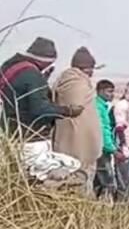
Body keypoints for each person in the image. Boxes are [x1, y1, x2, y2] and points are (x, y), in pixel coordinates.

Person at [0, 37, 84, 181]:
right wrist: (67, 111)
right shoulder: (32, 75)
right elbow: (39, 109)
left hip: (10, 135)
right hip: (30, 139)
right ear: (45, 60)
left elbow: (21, 96)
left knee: (18, 177)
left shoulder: (10, 68)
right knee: (69, 166)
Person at [52, 47, 102, 191]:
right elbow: (76, 107)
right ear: (88, 69)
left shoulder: (65, 80)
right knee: (77, 181)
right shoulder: (76, 82)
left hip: (68, 141)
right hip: (76, 144)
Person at [94, 79, 117, 199]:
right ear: (100, 91)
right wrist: (112, 148)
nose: (112, 95)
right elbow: (102, 130)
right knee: (107, 181)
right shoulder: (98, 107)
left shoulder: (102, 106)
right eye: (109, 91)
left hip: (102, 148)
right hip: (102, 149)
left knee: (98, 181)